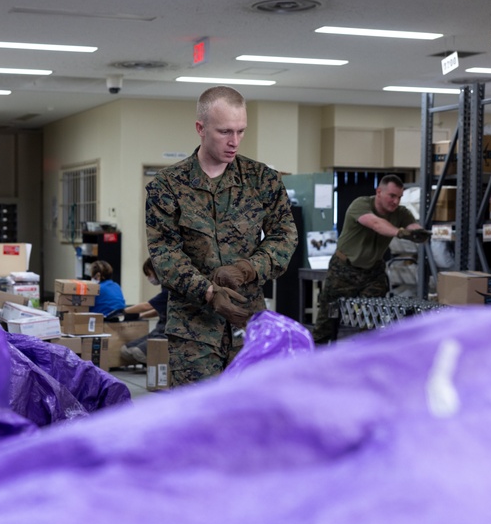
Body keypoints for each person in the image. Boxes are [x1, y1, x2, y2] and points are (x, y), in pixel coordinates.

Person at [146, 85, 297, 387]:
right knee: (197, 421)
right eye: (225, 131)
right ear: (200, 128)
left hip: (248, 322)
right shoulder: (168, 185)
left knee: (252, 416)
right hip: (193, 332)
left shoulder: (262, 179)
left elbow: (285, 235)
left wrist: (248, 268)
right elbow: (164, 254)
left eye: (241, 131)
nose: (235, 142)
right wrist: (209, 292)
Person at [311, 175, 430, 345]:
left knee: (372, 320)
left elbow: (413, 226)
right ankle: (314, 362)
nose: (396, 201)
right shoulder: (361, 204)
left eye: (399, 197)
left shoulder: (400, 213)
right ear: (379, 192)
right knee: (327, 322)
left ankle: (366, 359)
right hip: (343, 271)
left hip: (373, 273)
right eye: (392, 196)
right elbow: (375, 224)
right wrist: (400, 233)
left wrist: (419, 232)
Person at [120, 258, 168, 365]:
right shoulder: (164, 287)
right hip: (158, 330)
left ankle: (161, 367)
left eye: (149, 274)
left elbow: (147, 306)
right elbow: (159, 309)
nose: (148, 278)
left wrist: (123, 310)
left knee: (138, 352)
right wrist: (141, 315)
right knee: (125, 350)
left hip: (167, 332)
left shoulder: (169, 289)